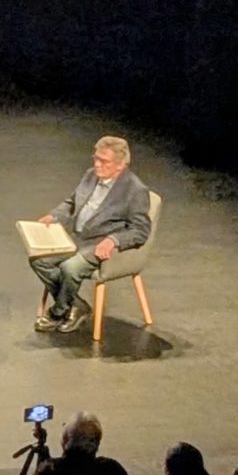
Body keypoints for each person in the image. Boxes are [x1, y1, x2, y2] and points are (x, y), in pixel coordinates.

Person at [26, 136, 153, 335]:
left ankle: (58, 311)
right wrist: (53, 216)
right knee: (39, 259)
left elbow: (140, 230)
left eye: (104, 161)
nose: (97, 164)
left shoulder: (135, 190)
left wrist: (113, 240)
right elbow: (71, 202)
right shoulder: (90, 175)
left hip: (101, 244)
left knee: (70, 267)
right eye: (95, 158)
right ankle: (76, 306)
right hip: (78, 237)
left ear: (120, 166)